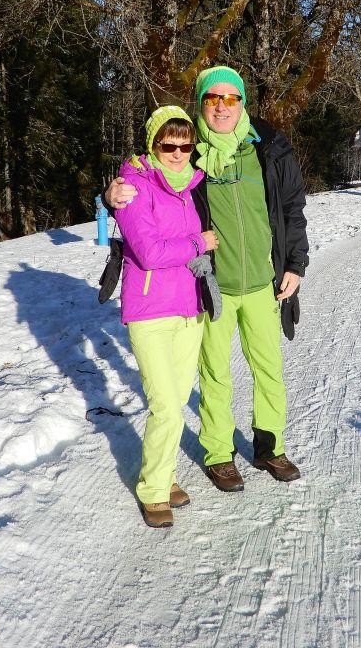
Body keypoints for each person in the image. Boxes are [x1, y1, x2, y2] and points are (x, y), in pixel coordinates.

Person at [106, 66, 308, 492]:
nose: (222, 107)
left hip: (264, 281)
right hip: (213, 285)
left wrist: (295, 265)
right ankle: (219, 453)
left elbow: (291, 210)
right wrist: (109, 195)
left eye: (230, 98)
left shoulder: (268, 147)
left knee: (269, 368)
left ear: (242, 103)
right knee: (216, 372)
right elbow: (146, 180)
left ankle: (270, 446)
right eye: (213, 99)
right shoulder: (187, 150)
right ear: (201, 103)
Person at [113, 105, 219, 528]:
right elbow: (150, 252)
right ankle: (153, 490)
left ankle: (166, 473)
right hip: (150, 310)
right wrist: (199, 243)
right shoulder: (134, 186)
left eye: (184, 144)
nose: (177, 152)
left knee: (175, 401)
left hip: (189, 309)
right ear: (153, 144)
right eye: (167, 144)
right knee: (166, 408)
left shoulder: (192, 183)